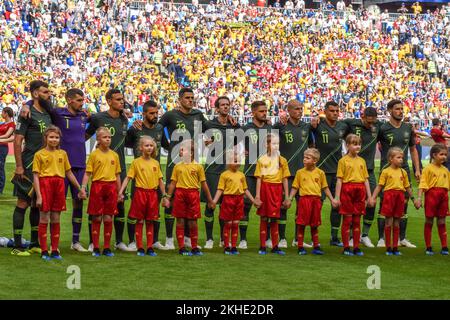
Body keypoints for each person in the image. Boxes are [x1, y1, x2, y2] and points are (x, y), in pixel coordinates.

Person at [22, 88, 91, 252]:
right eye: (79, 100)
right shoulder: (57, 113)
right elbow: (39, 101)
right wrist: (26, 104)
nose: (82, 103)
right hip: (59, 169)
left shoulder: (84, 116)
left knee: (78, 202)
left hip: (80, 165)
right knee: (51, 209)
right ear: (69, 100)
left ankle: (75, 241)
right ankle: (47, 246)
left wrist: (124, 110)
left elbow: (100, 120)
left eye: (83, 100)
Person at [158, 88, 209, 250]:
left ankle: (187, 238)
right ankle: (169, 239)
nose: (190, 100)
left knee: (190, 202)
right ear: (180, 99)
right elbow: (157, 129)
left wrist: (211, 138)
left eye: (192, 97)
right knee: (171, 199)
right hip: (175, 163)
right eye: (187, 97)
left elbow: (211, 129)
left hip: (192, 164)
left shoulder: (198, 115)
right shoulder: (170, 115)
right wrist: (168, 145)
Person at [85, 89, 132, 252]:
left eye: (123, 99)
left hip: (119, 168)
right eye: (118, 99)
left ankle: (118, 241)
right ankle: (93, 242)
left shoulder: (125, 119)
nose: (122, 102)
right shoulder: (98, 118)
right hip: (100, 170)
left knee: (120, 204)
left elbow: (129, 140)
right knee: (96, 209)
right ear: (109, 101)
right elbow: (86, 134)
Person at [11, 80, 52, 257]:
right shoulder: (26, 114)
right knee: (23, 203)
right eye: (44, 92)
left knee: (37, 204)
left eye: (49, 92)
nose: (48, 95)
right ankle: (18, 246)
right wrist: (19, 166)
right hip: (28, 165)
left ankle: (35, 243)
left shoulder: (48, 113)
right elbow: (17, 140)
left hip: (44, 167)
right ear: (35, 94)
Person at [32, 126, 84, 261]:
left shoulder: (63, 154)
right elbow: (36, 176)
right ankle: (44, 250)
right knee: (44, 218)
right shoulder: (39, 154)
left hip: (59, 186)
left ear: (60, 139)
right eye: (51, 137)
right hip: (45, 185)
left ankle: (54, 250)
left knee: (56, 218)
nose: (54, 140)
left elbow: (68, 172)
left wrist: (79, 188)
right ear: (46, 138)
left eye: (56, 137)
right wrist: (38, 195)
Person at [377, 99, 421, 249]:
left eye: (402, 109)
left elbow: (413, 149)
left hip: (404, 171)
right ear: (389, 110)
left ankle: (402, 238)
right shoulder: (382, 128)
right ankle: (382, 238)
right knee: (384, 204)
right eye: (397, 109)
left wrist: (417, 168)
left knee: (404, 203)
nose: (400, 111)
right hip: (386, 170)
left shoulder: (408, 128)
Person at [118, 136, 169, 257]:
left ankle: (150, 247)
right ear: (141, 148)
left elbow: (160, 181)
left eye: (151, 145)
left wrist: (165, 196)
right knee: (140, 220)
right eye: (146, 145)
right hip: (140, 193)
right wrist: (121, 191)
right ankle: (140, 247)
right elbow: (128, 178)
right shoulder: (136, 162)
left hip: (152, 194)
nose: (149, 148)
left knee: (150, 220)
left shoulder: (156, 163)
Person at [125, 100, 165, 250]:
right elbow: (127, 143)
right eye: (152, 113)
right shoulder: (136, 129)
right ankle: (132, 241)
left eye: (156, 113)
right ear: (144, 114)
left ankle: (153, 241)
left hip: (155, 176)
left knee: (154, 212)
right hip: (139, 177)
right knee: (135, 212)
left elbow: (166, 144)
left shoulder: (160, 128)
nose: (155, 115)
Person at [202, 96, 240, 249]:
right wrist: (205, 142)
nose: (225, 107)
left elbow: (237, 141)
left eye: (227, 104)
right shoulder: (209, 124)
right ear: (217, 108)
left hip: (228, 171)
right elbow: (199, 137)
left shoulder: (234, 126)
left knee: (226, 206)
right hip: (212, 169)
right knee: (211, 204)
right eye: (222, 105)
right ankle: (209, 238)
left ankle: (224, 239)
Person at [273, 100, 312, 248]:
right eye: (296, 109)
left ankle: (298, 239)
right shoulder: (280, 126)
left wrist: (317, 119)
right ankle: (282, 238)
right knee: (283, 206)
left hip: (302, 174)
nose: (300, 111)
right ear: (288, 110)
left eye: (301, 109)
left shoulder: (307, 127)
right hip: (285, 174)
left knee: (301, 208)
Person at [166, 140, 214, 256]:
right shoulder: (177, 167)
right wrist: (167, 197)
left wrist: (210, 200)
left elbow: (204, 184)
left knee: (193, 222)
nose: (180, 151)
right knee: (180, 220)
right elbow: (173, 183)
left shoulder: (198, 167)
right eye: (181, 149)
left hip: (193, 195)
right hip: (180, 194)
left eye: (183, 149)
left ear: (192, 153)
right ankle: (182, 247)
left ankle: (194, 247)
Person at [311, 101, 349, 247]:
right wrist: (316, 118)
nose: (335, 113)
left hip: (337, 172)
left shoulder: (343, 126)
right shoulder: (318, 125)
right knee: (317, 205)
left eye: (336, 111)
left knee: (337, 205)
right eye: (332, 111)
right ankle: (313, 238)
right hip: (320, 172)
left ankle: (334, 237)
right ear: (325, 112)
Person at [80, 127, 122, 257]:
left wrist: (119, 192)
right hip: (97, 187)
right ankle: (96, 247)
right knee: (97, 217)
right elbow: (88, 173)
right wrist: (83, 187)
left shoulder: (114, 155)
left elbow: (117, 175)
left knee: (109, 217)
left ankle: (107, 247)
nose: (108, 139)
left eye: (109, 137)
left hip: (111, 188)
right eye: (105, 137)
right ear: (98, 139)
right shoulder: (94, 155)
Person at [288, 148, 337, 255]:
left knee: (315, 225)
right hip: (304, 201)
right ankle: (300, 246)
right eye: (304, 157)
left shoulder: (320, 173)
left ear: (315, 161)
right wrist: (290, 198)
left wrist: (332, 199)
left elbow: (325, 188)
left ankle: (316, 246)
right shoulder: (299, 172)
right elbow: (295, 187)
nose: (304, 160)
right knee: (302, 224)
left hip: (316, 201)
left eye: (307, 158)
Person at [342, 107, 380, 248]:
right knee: (350, 206)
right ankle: (351, 236)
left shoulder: (378, 127)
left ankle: (364, 234)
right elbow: (336, 124)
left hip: (368, 171)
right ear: (362, 117)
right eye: (367, 121)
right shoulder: (351, 124)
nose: (370, 125)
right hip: (351, 173)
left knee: (371, 202)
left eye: (372, 122)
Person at [211, 150, 259, 255]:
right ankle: (226, 246)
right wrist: (214, 201)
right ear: (228, 161)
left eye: (238, 160)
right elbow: (220, 189)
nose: (237, 162)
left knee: (236, 224)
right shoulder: (224, 175)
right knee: (228, 224)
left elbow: (245, 189)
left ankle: (233, 246)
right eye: (235, 160)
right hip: (228, 200)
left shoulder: (241, 175)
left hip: (239, 200)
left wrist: (253, 200)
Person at [239, 101, 272, 249]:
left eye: (266, 111)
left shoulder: (271, 128)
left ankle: (268, 239)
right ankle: (243, 239)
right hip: (250, 172)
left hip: (268, 174)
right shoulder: (245, 129)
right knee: (245, 205)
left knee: (268, 207)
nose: (264, 113)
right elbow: (229, 142)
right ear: (253, 113)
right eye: (261, 111)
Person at [370, 147, 415, 256]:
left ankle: (395, 247)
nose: (401, 160)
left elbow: (407, 187)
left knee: (397, 222)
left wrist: (413, 199)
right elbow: (379, 186)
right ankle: (388, 247)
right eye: (398, 157)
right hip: (389, 197)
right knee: (388, 222)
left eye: (402, 158)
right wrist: (373, 197)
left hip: (399, 197)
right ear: (390, 159)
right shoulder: (385, 171)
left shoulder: (403, 172)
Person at [335, 134, 372, 256]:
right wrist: (337, 197)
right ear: (347, 145)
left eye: (359, 144)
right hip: (347, 189)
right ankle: (346, 247)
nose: (358, 146)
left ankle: (356, 247)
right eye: (354, 144)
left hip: (360, 190)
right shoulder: (343, 161)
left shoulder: (362, 161)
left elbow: (366, 179)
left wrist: (369, 196)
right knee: (347, 219)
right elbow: (339, 180)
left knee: (357, 220)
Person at [254, 133, 290, 255]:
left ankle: (275, 246)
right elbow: (259, 179)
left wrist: (287, 196)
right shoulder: (262, 160)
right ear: (267, 144)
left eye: (277, 143)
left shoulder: (283, 160)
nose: (276, 146)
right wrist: (257, 196)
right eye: (273, 143)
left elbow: (285, 178)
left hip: (277, 190)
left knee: (275, 218)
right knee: (264, 217)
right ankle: (262, 246)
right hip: (265, 189)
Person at [415, 144, 449, 256]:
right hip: (431, 195)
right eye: (441, 154)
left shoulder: (446, 170)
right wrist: (419, 198)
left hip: (443, 196)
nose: (444, 157)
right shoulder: (427, 169)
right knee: (429, 220)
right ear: (434, 155)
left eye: (445, 154)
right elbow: (422, 185)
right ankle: (428, 247)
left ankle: (444, 246)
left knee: (442, 221)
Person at [0, 107, 15, 194]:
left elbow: (7, 135)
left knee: (0, 167)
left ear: (6, 113)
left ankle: (0, 189)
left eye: (2, 112)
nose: (1, 114)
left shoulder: (11, 124)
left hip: (2, 147)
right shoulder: (2, 124)